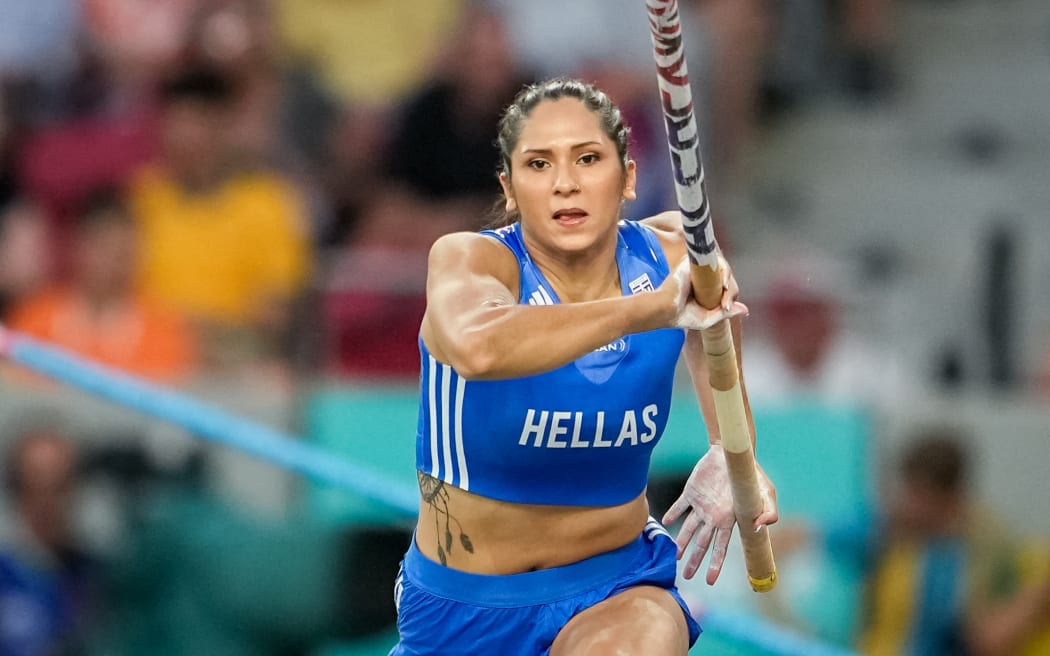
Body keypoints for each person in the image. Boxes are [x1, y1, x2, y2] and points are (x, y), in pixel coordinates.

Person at [389, 78, 778, 655]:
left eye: (588, 159)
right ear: (511, 189)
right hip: (462, 609)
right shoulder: (471, 263)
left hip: (614, 585)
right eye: (539, 164)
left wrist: (731, 450)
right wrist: (650, 309)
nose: (565, 183)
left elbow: (716, 322)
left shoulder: (673, 254)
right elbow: (478, 348)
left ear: (628, 178)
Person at [775, 426, 1050, 655]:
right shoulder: (885, 528)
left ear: (951, 499)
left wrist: (1037, 597)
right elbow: (795, 536)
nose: (909, 505)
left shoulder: (982, 547)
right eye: (908, 493)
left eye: (919, 497)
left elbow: (988, 638)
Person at [6, 186, 198, 384]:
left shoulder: (165, 330)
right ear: (78, 247)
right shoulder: (34, 321)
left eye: (124, 251)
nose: (116, 262)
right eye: (104, 246)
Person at [0, 424, 101, 656]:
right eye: (34, 484)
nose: (47, 501)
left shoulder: (93, 573)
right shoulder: (6, 574)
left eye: (59, 485)